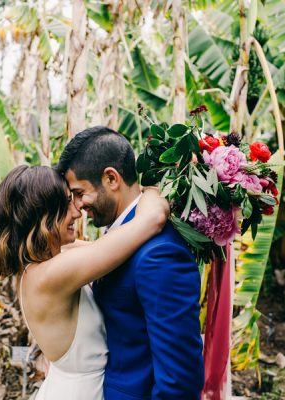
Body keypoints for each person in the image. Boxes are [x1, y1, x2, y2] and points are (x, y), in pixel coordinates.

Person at [0, 165, 169, 400]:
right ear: (44, 215)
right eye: (66, 204)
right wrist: (157, 183)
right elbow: (153, 218)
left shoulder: (52, 260)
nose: (77, 212)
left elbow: (124, 249)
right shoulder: (50, 276)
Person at [56, 126, 205, 400]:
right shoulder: (124, 236)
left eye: (80, 193)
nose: (77, 207)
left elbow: (180, 379)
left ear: (111, 178)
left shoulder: (159, 256)